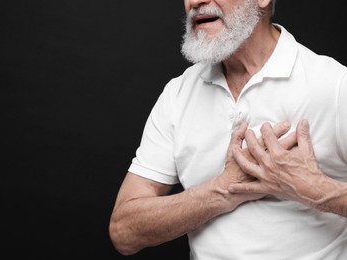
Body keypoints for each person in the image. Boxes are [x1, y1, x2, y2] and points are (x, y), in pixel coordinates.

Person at [109, 0, 347, 259]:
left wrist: (314, 188)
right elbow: (124, 231)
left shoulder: (334, 86)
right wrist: (223, 189)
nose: (195, 2)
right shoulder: (178, 94)